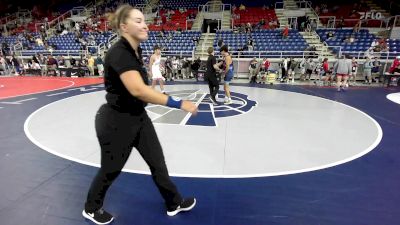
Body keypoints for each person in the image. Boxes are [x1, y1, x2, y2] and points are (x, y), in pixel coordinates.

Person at [82, 5, 197, 225]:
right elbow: (138, 90)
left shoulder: (136, 50)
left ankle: (173, 203)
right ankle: (91, 207)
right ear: (124, 26)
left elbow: (138, 93)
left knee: (157, 162)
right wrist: (179, 103)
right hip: (116, 121)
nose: (145, 25)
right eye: (138, 21)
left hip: (138, 118)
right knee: (111, 169)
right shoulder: (119, 53)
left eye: (144, 20)